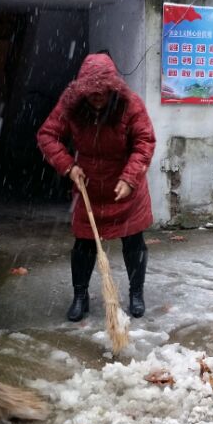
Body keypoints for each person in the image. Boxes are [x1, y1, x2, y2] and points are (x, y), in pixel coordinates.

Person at [37, 53, 156, 321]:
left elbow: (144, 141)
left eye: (103, 92)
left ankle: (136, 293)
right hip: (88, 185)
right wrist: (68, 166)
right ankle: (80, 296)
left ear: (113, 88)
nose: (98, 98)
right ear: (82, 91)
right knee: (84, 244)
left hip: (125, 184)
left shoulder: (130, 104)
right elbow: (47, 135)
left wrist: (129, 177)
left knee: (133, 240)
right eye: (92, 93)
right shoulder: (71, 105)